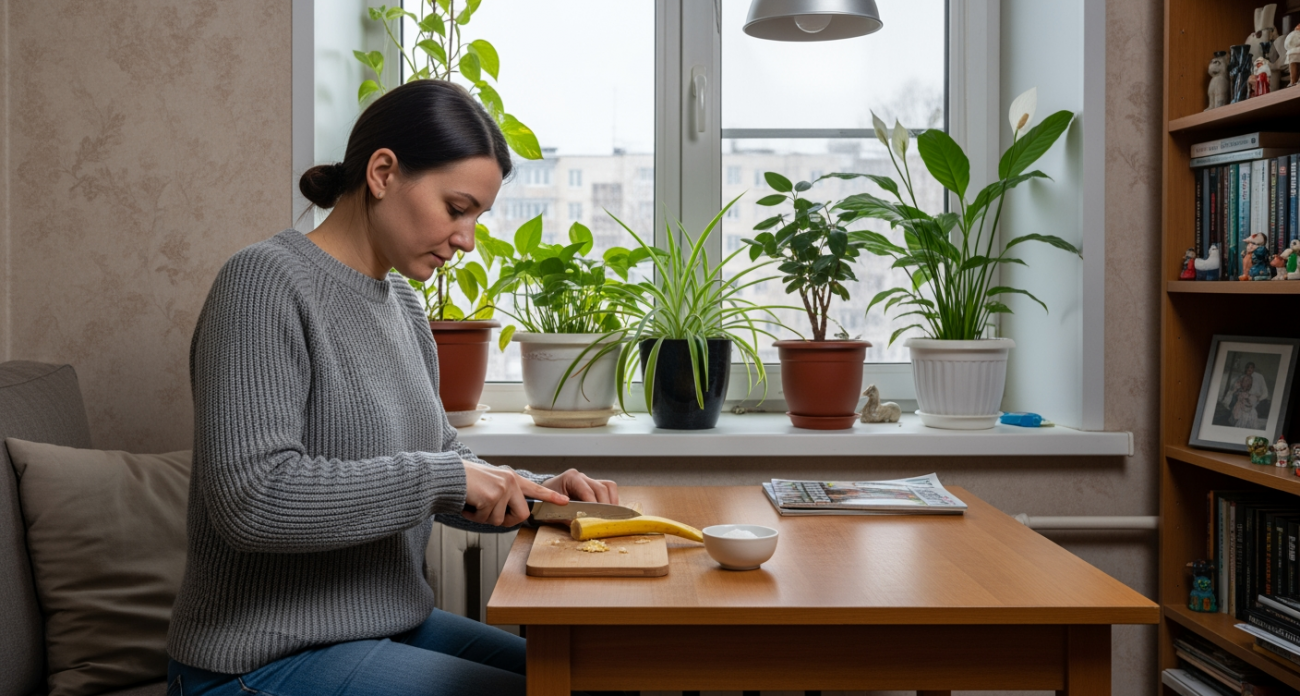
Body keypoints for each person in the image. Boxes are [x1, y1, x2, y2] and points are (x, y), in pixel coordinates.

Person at [165, 80, 619, 696]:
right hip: (258, 658)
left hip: (388, 627)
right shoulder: (263, 282)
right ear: (383, 172)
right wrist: (446, 478)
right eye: (457, 208)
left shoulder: (402, 303)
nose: (467, 238)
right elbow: (251, 499)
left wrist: (535, 495)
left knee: (594, 678)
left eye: (478, 217)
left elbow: (442, 458)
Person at [1222, 362, 1269, 429]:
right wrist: (1237, 391)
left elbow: (1264, 394)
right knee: (1239, 415)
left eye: (1251, 368)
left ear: (1253, 369)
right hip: (1242, 402)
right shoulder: (1241, 378)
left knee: (1250, 415)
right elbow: (1235, 389)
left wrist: (1256, 398)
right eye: (1248, 368)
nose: (1249, 370)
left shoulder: (1258, 378)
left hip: (1252, 402)